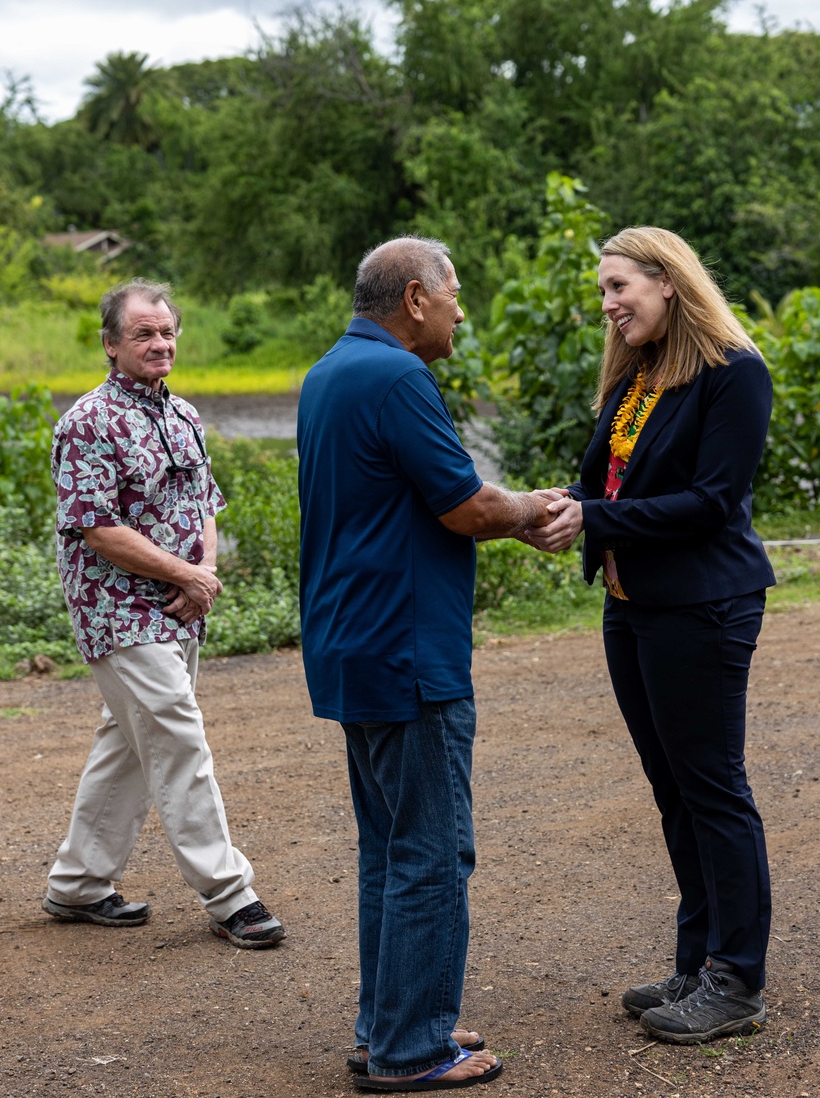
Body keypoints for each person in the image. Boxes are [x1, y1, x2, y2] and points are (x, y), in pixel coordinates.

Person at [297, 237, 557, 1091]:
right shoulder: (400, 378)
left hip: (351, 643)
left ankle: (392, 1022)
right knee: (434, 854)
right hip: (407, 650)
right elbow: (467, 506)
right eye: (453, 295)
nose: (460, 311)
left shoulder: (330, 370)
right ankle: (412, 1049)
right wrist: (535, 510)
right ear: (414, 298)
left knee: (389, 847)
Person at [523, 227, 776, 1045]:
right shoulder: (638, 377)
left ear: (668, 281)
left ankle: (736, 981)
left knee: (712, 788)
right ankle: (700, 957)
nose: (608, 305)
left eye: (618, 286)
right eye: (603, 290)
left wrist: (594, 515)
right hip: (632, 605)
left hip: (703, 605)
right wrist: (551, 505)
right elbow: (605, 484)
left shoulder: (734, 373)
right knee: (672, 789)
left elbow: (712, 502)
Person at [43, 278, 285, 950]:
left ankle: (78, 885)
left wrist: (199, 574)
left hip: (181, 605)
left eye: (167, 332)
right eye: (144, 333)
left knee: (128, 744)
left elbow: (203, 503)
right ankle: (232, 896)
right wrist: (186, 575)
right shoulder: (86, 422)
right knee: (177, 736)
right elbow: (97, 528)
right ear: (111, 343)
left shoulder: (183, 414)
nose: (160, 343)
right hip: (118, 611)